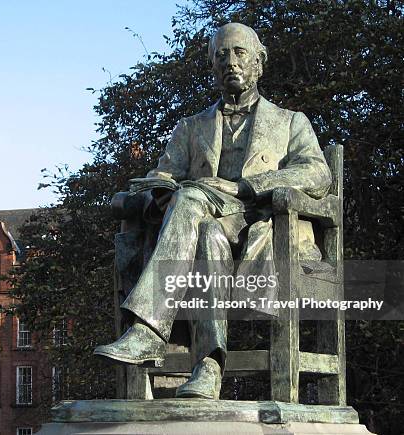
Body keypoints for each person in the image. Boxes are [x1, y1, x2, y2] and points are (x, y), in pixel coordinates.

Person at [94, 22, 332, 399]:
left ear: (260, 61)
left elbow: (318, 174)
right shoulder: (190, 128)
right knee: (200, 220)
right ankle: (208, 367)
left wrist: (243, 186)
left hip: (262, 229)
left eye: (239, 53)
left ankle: (149, 330)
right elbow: (163, 176)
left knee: (192, 200)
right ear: (212, 65)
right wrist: (157, 193)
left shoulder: (289, 123)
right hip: (204, 233)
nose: (230, 62)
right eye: (221, 55)